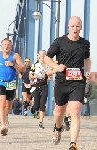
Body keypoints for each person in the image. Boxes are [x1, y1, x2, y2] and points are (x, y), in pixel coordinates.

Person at [45, 16, 91, 150]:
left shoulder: (85, 43)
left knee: (75, 112)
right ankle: (57, 128)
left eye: (78, 26)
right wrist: (56, 66)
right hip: (61, 81)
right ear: (68, 27)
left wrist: (87, 70)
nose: (75, 29)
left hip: (78, 81)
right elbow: (47, 58)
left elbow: (87, 59)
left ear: (81, 27)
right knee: (59, 112)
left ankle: (73, 144)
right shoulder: (59, 42)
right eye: (73, 26)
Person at [0, 38, 25, 135]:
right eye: (4, 45)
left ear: (11, 46)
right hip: (0, 81)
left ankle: (5, 117)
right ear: (1, 46)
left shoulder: (15, 55)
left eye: (8, 45)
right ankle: (3, 125)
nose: (6, 46)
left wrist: (13, 64)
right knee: (2, 103)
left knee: (9, 105)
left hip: (11, 82)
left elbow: (23, 68)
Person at [31, 50, 49, 129]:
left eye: (44, 55)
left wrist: (49, 77)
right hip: (36, 86)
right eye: (41, 55)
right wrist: (34, 76)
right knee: (36, 106)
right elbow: (30, 75)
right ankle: (34, 108)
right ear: (38, 56)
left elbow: (50, 74)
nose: (42, 57)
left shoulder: (48, 65)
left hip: (44, 86)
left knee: (43, 105)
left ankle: (41, 123)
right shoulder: (35, 64)